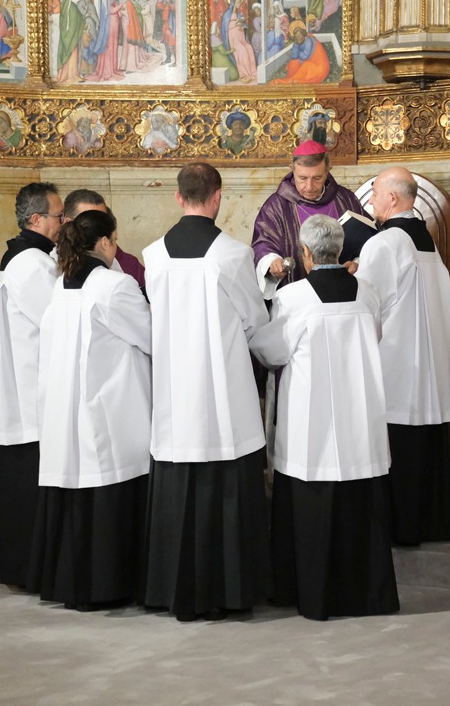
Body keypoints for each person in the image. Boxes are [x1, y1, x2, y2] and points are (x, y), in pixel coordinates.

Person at [251, 214, 399, 621]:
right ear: (339, 250)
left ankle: (311, 594)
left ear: (305, 253)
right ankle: (367, 596)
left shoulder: (293, 297)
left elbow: (271, 351)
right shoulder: (367, 292)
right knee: (361, 504)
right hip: (359, 415)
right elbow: (375, 335)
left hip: (311, 422)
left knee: (309, 499)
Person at [142, 162, 271, 622]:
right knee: (226, 479)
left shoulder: (153, 255)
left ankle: (172, 589)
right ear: (217, 197)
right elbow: (255, 320)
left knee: (178, 483)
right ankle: (230, 591)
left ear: (178, 197)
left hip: (174, 391)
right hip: (222, 393)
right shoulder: (232, 256)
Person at [30, 209, 151, 610]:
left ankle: (71, 584)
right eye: (114, 240)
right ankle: (109, 585)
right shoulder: (115, 285)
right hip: (107, 407)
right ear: (104, 243)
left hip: (67, 409)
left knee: (77, 488)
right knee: (108, 482)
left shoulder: (62, 284)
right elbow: (150, 336)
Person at [355, 167, 450, 547]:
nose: (372, 201)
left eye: (375, 193)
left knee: (399, 444)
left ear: (393, 198)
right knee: (424, 443)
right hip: (430, 364)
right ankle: (431, 524)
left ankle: (401, 529)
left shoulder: (385, 243)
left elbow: (367, 304)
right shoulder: (426, 240)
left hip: (397, 363)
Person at [0, 182, 64, 589]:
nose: (63, 223)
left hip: (28, 388)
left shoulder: (26, 257)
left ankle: (26, 565)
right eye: (59, 216)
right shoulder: (31, 263)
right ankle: (33, 568)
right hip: (33, 391)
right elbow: (58, 319)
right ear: (36, 219)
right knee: (31, 481)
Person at [252, 139, 368, 299]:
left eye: (317, 178)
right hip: (297, 299)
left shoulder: (346, 199)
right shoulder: (276, 206)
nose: (309, 186)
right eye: (302, 178)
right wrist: (272, 261)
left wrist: (358, 263)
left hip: (342, 294)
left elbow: (369, 241)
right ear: (292, 169)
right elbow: (262, 244)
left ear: (328, 171)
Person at [62, 188, 146, 295]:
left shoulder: (124, 262)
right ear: (68, 223)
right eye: (90, 220)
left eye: (104, 219)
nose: (101, 227)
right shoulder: (51, 264)